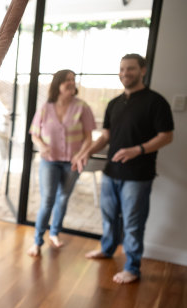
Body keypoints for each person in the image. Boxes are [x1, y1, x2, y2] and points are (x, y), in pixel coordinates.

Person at [77, 53, 174, 284]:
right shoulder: (114, 103)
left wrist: (137, 150)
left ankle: (132, 267)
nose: (124, 73)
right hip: (111, 172)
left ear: (143, 70)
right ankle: (107, 249)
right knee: (109, 217)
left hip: (138, 176)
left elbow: (166, 136)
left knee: (132, 223)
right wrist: (86, 151)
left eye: (130, 69)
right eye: (121, 69)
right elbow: (106, 137)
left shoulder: (156, 102)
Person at [27, 69, 96, 257]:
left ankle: (55, 233)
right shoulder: (45, 107)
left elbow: (89, 138)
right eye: (67, 80)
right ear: (58, 84)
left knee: (63, 198)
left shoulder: (82, 107)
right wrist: (42, 146)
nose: (71, 83)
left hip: (72, 163)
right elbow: (34, 134)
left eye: (73, 80)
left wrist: (80, 154)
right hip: (49, 161)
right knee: (48, 200)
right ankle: (37, 241)